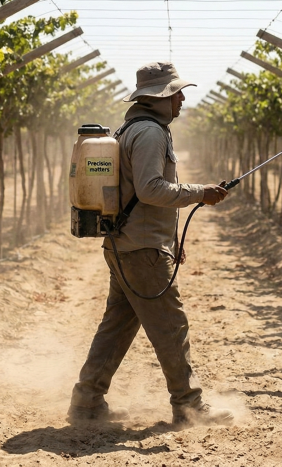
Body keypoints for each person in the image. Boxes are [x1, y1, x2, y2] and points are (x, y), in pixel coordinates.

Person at [68, 62, 232, 428]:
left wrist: (171, 238)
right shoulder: (151, 134)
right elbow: (150, 189)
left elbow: (136, 194)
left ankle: (87, 403)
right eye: (176, 93)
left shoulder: (135, 129)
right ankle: (189, 407)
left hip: (128, 246)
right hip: (141, 252)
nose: (182, 99)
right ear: (158, 98)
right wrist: (200, 193)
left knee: (117, 325)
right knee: (171, 326)